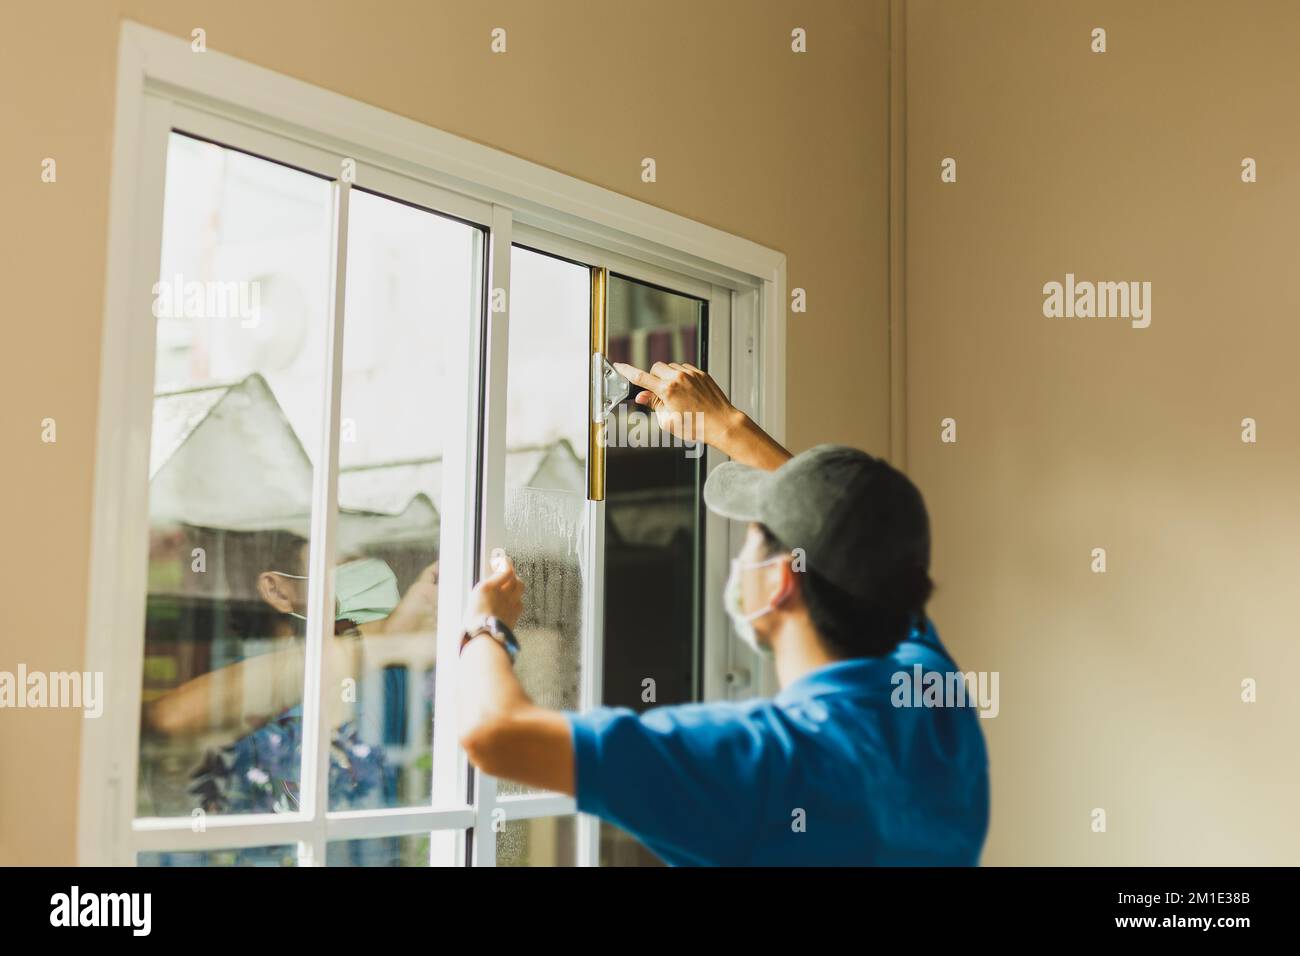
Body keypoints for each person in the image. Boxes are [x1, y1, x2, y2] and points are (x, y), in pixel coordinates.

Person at [456, 361, 989, 866]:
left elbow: (496, 734)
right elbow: (865, 554)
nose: (739, 554)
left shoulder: (755, 762)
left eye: (752, 535)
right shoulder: (931, 698)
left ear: (781, 581)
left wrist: (487, 624)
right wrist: (726, 427)